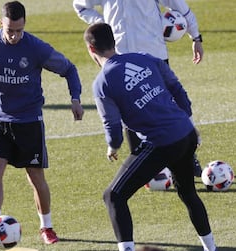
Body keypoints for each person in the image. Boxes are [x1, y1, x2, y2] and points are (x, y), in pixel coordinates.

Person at [0, 0, 84, 245]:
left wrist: (75, 99)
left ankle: (47, 227)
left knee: (35, 176)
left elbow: (69, 69)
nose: (14, 36)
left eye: (19, 30)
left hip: (29, 122)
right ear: (0, 23)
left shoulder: (35, 47)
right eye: (10, 30)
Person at [84, 23, 216, 251]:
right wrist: (184, 118)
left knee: (113, 196)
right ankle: (211, 248)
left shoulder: (102, 82)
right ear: (114, 42)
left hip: (162, 142)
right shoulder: (144, 58)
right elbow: (177, 88)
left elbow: (112, 125)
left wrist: (113, 147)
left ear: (91, 49)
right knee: (187, 192)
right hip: (186, 133)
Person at [73, 0, 204, 177]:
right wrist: (102, 23)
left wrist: (195, 36)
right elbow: (80, 6)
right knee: (129, 109)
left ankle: (188, 157)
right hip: (119, 57)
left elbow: (179, 6)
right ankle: (145, 164)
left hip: (152, 54)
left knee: (169, 103)